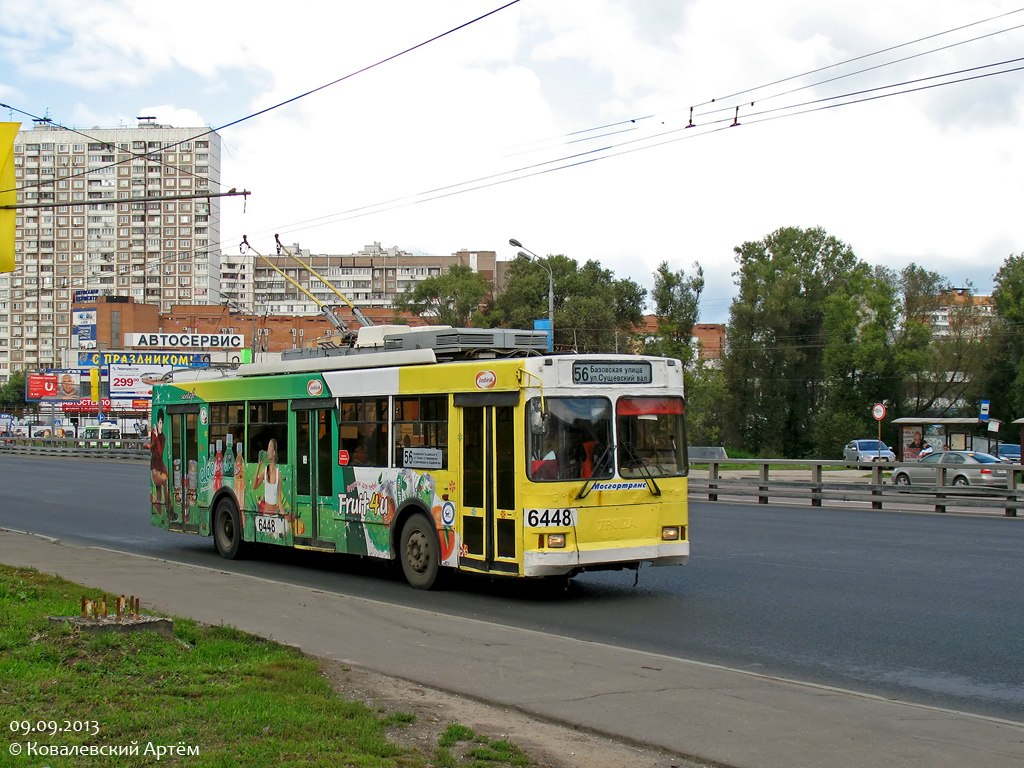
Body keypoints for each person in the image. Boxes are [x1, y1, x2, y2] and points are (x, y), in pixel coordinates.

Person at [253, 438, 284, 516]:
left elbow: (279, 500)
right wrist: (258, 466)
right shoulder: (265, 470)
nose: (267, 451)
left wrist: (284, 516)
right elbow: (255, 486)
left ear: (274, 453)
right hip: (265, 513)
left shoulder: (278, 475)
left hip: (274, 514)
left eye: (270, 448)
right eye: (267, 448)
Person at [149, 411, 169, 516]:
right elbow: (152, 449)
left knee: (162, 485)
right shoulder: (154, 434)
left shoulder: (163, 437)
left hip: (160, 465)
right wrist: (155, 437)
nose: (160, 424)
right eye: (159, 422)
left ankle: (160, 509)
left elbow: (161, 452)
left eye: (162, 422)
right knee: (164, 482)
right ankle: (166, 508)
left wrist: (158, 436)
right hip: (154, 467)